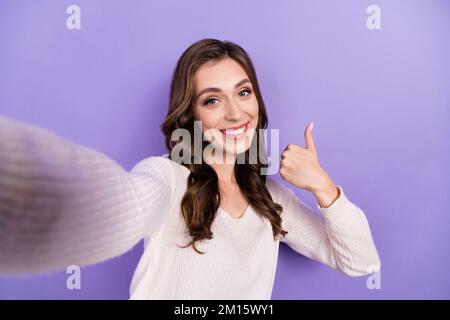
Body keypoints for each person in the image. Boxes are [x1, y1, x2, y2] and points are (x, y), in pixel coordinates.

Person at [0, 38, 380, 299]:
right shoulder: (168, 177)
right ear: (190, 115)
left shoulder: (269, 197)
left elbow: (360, 263)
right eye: (212, 100)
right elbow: (119, 208)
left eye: (243, 92)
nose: (236, 113)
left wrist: (322, 187)